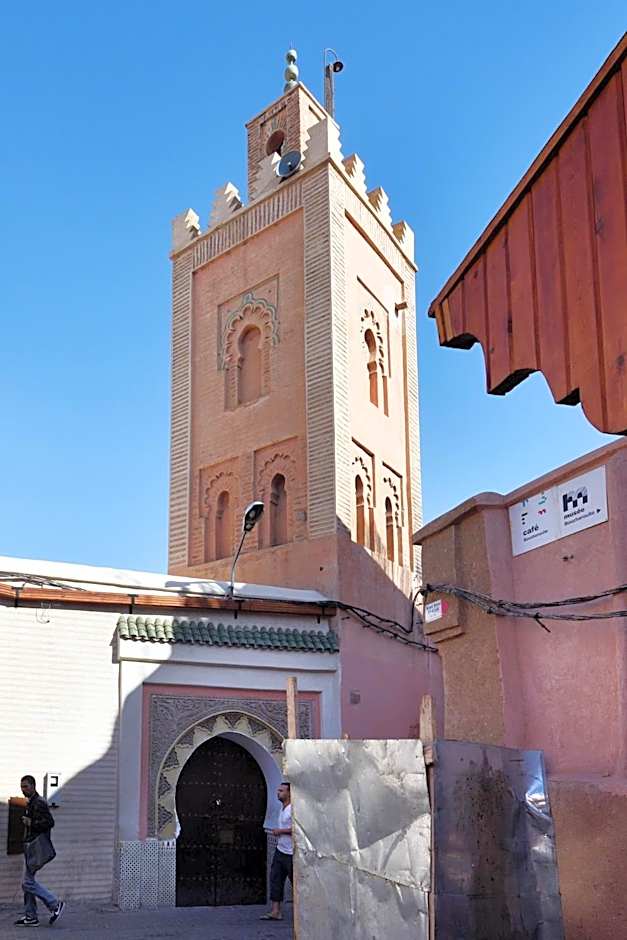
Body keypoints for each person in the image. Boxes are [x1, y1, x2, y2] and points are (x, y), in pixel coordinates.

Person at [14, 775, 65, 928]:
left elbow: (50, 822)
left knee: (27, 883)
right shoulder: (31, 802)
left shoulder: (39, 803)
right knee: (28, 882)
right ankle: (31, 916)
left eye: (26, 786)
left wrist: (32, 823)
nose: (23, 790)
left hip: (35, 848)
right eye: (21, 787)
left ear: (33, 786)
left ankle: (54, 904)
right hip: (30, 846)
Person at [260, 781, 293, 922]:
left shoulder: (293, 809)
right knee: (275, 879)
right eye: (278, 790)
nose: (278, 792)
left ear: (289, 793)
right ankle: (275, 911)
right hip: (281, 850)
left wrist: (281, 831)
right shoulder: (282, 808)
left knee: (296, 883)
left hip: (292, 853)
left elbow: (298, 829)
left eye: (281, 790)